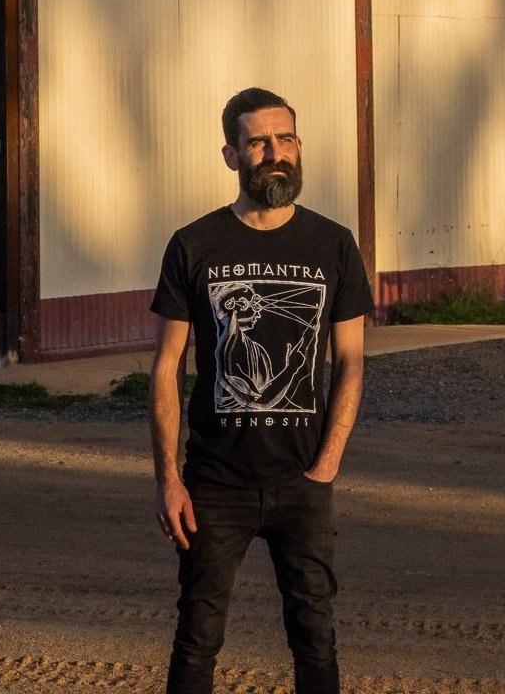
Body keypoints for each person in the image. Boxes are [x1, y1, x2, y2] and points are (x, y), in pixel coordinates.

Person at [149, 87, 374, 694]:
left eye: (286, 139)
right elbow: (167, 366)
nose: (276, 153)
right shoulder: (194, 245)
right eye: (259, 142)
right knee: (197, 638)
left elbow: (350, 361)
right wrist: (170, 480)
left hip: (304, 479)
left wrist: (326, 466)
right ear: (232, 155)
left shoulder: (332, 245)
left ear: (299, 147)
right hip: (214, 483)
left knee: (315, 637)